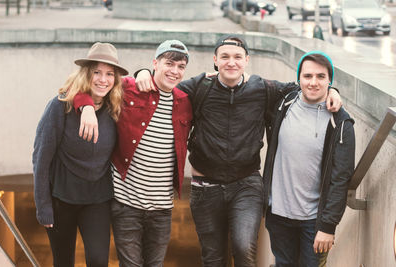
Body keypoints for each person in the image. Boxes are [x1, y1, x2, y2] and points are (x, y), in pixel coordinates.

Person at [133, 35, 342, 267]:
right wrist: (142, 72)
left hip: (246, 186)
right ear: (215, 60)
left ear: (246, 60)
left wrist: (333, 90)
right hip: (205, 189)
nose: (231, 62)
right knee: (213, 258)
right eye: (225, 57)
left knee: (244, 249)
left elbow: (303, 87)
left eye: (237, 57)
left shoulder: (262, 88)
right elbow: (164, 84)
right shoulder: (199, 87)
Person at [73, 40, 192, 267]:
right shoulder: (130, 87)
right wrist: (86, 107)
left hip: (162, 208)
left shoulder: (185, 101)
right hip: (126, 203)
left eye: (181, 66)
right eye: (169, 64)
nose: (175, 71)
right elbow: (81, 86)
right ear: (155, 63)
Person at [32, 42, 128, 267]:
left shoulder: (115, 107)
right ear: (86, 74)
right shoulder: (60, 106)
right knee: (63, 261)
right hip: (60, 198)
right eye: (97, 72)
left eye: (109, 74)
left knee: (97, 260)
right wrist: (42, 205)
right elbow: (41, 158)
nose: (103, 79)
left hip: (97, 199)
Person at [262, 51, 355, 267]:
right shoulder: (284, 103)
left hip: (314, 223)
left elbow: (340, 179)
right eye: (308, 76)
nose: (313, 82)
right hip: (278, 215)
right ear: (299, 79)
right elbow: (251, 83)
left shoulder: (341, 122)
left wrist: (328, 226)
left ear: (330, 80)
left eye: (321, 77)